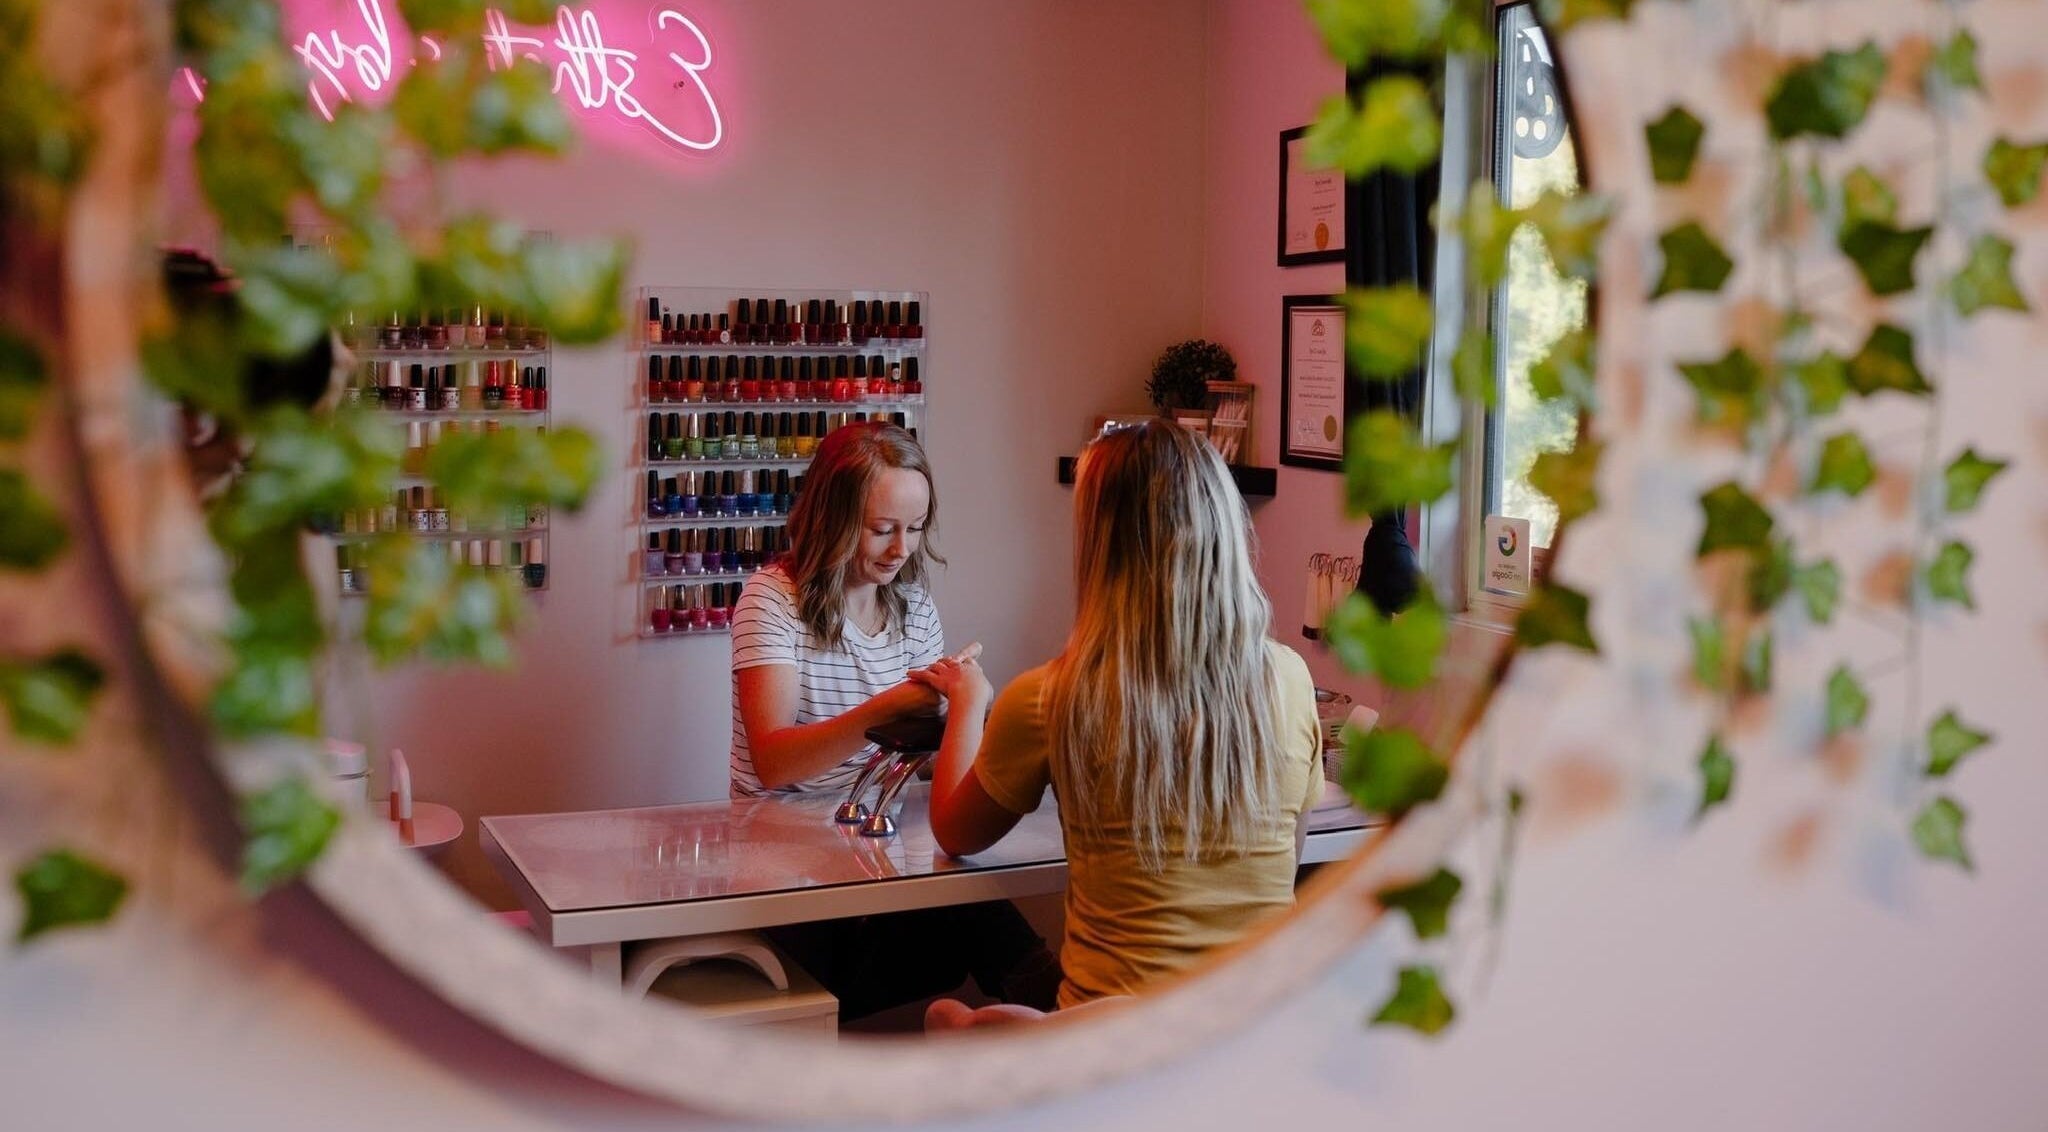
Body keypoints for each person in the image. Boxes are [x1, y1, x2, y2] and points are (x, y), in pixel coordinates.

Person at [917, 419, 1323, 1026]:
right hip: (1261, 1035)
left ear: (1102, 547)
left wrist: (969, 703)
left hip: (1112, 1049)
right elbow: (1287, 857)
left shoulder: (1051, 698)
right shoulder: (1291, 678)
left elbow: (954, 832)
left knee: (948, 1020)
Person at [728, 421, 1059, 1020]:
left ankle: (1067, 1028)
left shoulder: (911, 604)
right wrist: (889, 711)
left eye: (914, 529)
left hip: (877, 855)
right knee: (978, 920)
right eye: (882, 529)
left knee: (979, 899)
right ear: (831, 517)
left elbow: (925, 760)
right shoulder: (770, 600)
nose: (901, 548)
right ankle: (1071, 1030)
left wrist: (964, 710)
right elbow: (774, 762)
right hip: (785, 869)